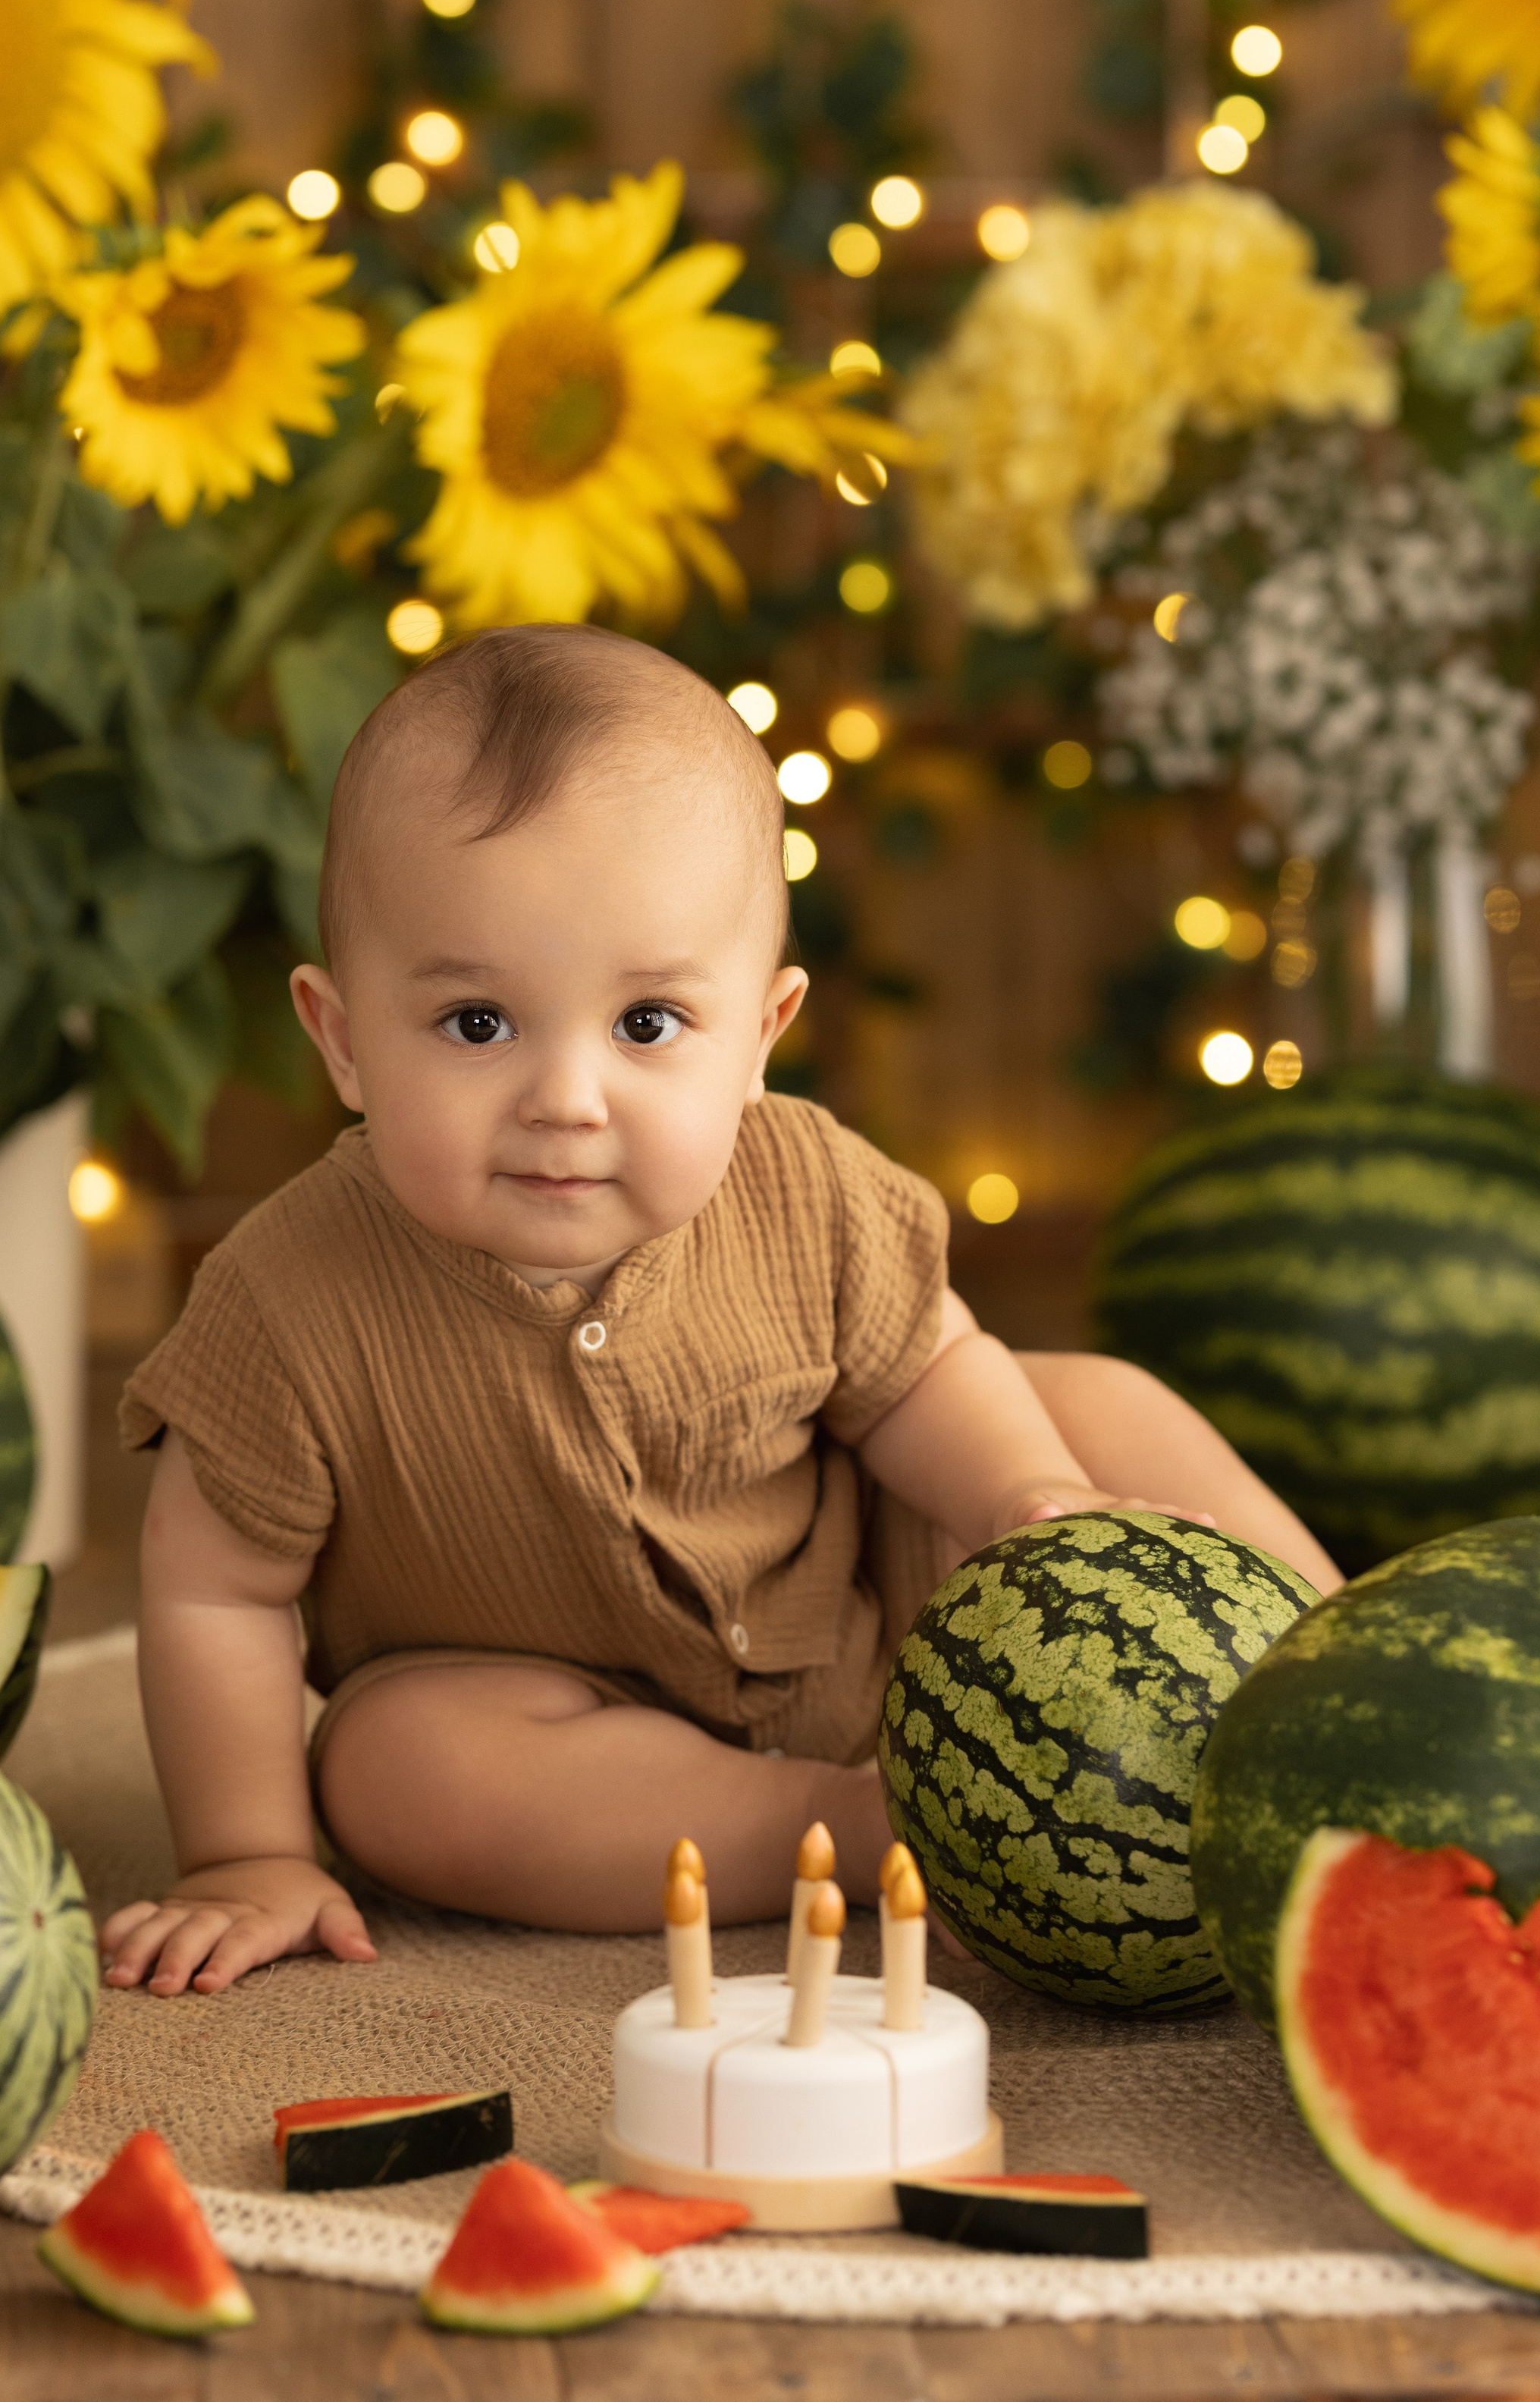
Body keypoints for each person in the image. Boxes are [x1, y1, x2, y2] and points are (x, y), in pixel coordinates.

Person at [99, 626, 1339, 1999]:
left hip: (879, 1621)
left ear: (760, 1032)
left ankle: (1341, 1680)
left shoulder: (806, 1185)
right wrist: (246, 1849)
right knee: (395, 1773)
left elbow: (927, 1374)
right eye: (474, 1024)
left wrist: (1024, 1494)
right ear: (341, 1039)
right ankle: (868, 1831)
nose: (566, 1098)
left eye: (645, 1025)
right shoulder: (283, 1296)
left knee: (1092, 1405)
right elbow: (216, 1589)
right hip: (559, 1719)